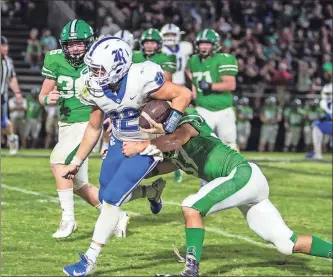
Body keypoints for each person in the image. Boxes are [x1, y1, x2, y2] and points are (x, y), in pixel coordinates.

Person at [122, 108, 333, 277]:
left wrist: (143, 145)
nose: (148, 132)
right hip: (247, 183)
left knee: (190, 206)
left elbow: (178, 139)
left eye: (149, 128)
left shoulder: (187, 121)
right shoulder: (170, 143)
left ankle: (190, 271)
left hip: (241, 174)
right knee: (287, 244)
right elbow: (163, 166)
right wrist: (125, 171)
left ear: (161, 123)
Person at [61, 36, 191, 276]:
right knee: (104, 192)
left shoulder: (141, 78)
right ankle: (152, 191)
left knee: (110, 199)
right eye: (93, 68)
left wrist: (167, 127)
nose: (94, 73)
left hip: (145, 144)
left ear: (118, 65)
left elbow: (183, 94)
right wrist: (77, 161)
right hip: (120, 140)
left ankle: (89, 259)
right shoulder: (94, 86)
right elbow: (93, 127)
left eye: (99, 68)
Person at [38, 19, 103, 239]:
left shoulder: (99, 59)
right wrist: (49, 99)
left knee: (58, 163)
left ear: (89, 42)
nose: (74, 48)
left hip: (88, 122)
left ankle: (68, 220)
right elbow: (42, 95)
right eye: (70, 44)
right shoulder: (54, 58)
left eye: (79, 44)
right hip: (66, 123)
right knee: (78, 183)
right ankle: (115, 216)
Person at [186, 29, 238, 150]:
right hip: (202, 107)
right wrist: (193, 94)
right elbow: (191, 76)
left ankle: (235, 168)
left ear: (215, 45)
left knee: (229, 143)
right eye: (201, 44)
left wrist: (210, 86)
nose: (204, 47)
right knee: (198, 143)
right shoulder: (193, 60)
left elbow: (231, 85)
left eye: (207, 44)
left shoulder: (224, 59)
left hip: (223, 109)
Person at [160, 23, 193, 183]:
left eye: (172, 35)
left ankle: (179, 164)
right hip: (167, 89)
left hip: (182, 89)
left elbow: (189, 70)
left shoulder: (186, 47)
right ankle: (171, 162)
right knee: (165, 128)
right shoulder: (162, 51)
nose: (170, 39)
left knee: (180, 126)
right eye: (167, 36)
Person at [1, 35, 21, 155]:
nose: (6, 48)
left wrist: (17, 93)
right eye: (3, 45)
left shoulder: (8, 61)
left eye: (6, 45)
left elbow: (12, 78)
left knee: (3, 122)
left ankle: (12, 139)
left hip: (1, 95)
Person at [306, 83, 332, 159]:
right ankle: (317, 153)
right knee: (317, 125)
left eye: (330, 93)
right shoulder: (323, 103)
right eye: (327, 93)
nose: (329, 96)